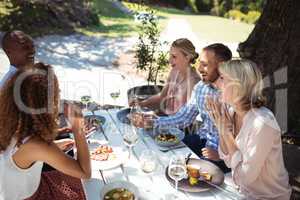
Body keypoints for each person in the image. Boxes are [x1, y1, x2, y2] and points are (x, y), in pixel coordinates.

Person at [132, 43, 232, 173]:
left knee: (186, 173)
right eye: (200, 63)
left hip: (223, 153)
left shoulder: (234, 94)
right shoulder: (201, 87)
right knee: (163, 153)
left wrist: (222, 155)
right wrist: (152, 122)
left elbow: (241, 137)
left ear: (222, 67)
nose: (200, 69)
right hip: (202, 141)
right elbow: (184, 117)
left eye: (205, 65)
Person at [0, 63, 91, 200]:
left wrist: (56, 144)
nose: (59, 96)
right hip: (34, 196)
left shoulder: (9, 120)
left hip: (20, 188)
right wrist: (78, 129)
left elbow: (22, 154)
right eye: (56, 93)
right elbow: (85, 172)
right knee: (85, 187)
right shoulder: (36, 145)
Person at [206, 59, 291, 200]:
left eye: (222, 78)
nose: (216, 83)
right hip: (242, 190)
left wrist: (226, 133)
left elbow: (244, 178)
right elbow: (227, 159)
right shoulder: (232, 111)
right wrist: (221, 129)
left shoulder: (262, 122)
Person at [130, 38, 200, 115]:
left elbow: (186, 117)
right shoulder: (174, 72)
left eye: (174, 56)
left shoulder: (194, 82)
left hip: (178, 125)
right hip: (164, 120)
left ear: (187, 57)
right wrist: (141, 103)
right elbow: (161, 97)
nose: (169, 60)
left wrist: (154, 120)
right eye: (170, 55)